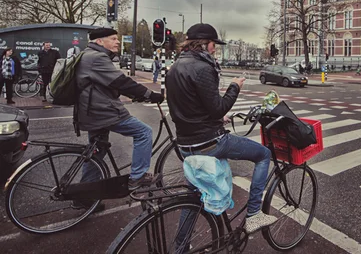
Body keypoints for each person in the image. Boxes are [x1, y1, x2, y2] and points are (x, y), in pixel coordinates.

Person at [166, 23, 278, 234]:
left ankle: (179, 247)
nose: (214, 48)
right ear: (203, 44)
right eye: (213, 44)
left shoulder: (175, 67)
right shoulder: (203, 68)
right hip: (209, 143)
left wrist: (217, 118)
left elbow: (189, 104)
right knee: (264, 155)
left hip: (185, 144)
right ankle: (254, 214)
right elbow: (217, 108)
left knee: (194, 197)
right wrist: (235, 86)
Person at [76, 27, 164, 206]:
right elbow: (121, 82)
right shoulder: (97, 58)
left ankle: (83, 196)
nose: (117, 41)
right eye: (113, 38)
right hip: (102, 112)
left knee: (96, 151)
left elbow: (106, 84)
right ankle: (138, 177)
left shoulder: (89, 55)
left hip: (91, 111)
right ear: (100, 41)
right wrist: (150, 94)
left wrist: (135, 95)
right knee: (144, 132)